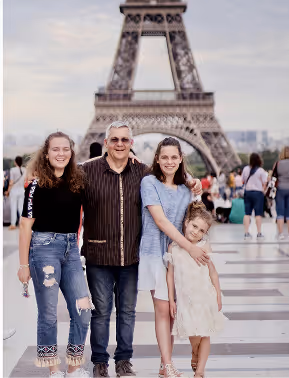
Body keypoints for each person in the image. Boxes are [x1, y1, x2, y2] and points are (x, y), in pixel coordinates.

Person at [81, 123, 202, 378]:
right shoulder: (89, 170)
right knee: (102, 311)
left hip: (131, 254)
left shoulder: (142, 172)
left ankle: (124, 360)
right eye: (115, 139)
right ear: (106, 142)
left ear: (132, 143)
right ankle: (100, 362)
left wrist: (192, 181)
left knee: (127, 311)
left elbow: (171, 176)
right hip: (101, 254)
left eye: (125, 139)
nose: (120, 144)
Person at [18, 132, 93, 378]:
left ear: (71, 152)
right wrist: (23, 265)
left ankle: (73, 368)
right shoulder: (36, 183)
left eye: (65, 149)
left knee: (82, 311)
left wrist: (132, 158)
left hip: (71, 249)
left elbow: (105, 162)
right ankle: (54, 370)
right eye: (55, 149)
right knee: (49, 314)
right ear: (46, 153)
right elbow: (26, 225)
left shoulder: (78, 180)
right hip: (44, 249)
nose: (61, 153)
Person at [138, 137, 209, 378]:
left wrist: (194, 183)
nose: (169, 161)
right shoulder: (148, 182)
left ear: (180, 160)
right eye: (164, 157)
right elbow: (160, 221)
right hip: (155, 253)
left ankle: (164, 362)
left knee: (171, 311)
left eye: (174, 157)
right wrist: (189, 247)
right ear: (157, 159)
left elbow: (194, 218)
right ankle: (167, 364)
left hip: (177, 256)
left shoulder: (186, 188)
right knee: (162, 309)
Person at [165, 202, 226, 378]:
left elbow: (213, 273)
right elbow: (170, 275)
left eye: (201, 230)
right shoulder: (173, 248)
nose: (196, 232)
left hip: (205, 297)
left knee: (205, 332)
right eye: (194, 226)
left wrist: (218, 295)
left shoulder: (204, 247)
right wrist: (171, 299)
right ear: (186, 222)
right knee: (193, 331)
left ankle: (200, 371)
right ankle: (195, 351)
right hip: (185, 300)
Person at [242, 153, 268, 240]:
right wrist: (263, 191)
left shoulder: (245, 169)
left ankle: (246, 232)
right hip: (258, 193)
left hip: (248, 192)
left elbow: (243, 180)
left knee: (247, 213)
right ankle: (259, 233)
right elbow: (264, 183)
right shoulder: (261, 171)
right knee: (258, 214)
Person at [274, 146, 289, 240]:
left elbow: (273, 176)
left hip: (280, 188)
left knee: (280, 212)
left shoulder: (278, 164)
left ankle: (281, 233)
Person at [6, 156, 26, 230]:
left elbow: (11, 182)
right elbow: (25, 181)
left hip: (14, 191)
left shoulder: (12, 170)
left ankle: (13, 224)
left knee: (13, 207)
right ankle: (21, 224)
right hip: (22, 190)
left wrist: (8, 191)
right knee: (21, 208)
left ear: (15, 162)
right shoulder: (25, 170)